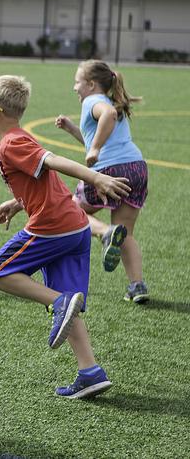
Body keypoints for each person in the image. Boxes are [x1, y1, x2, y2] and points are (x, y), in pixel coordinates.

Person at [0, 75, 130, 398]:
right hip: (75, 227)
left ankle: (56, 302)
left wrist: (95, 177)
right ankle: (90, 371)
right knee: (70, 306)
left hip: (54, 227)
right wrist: (16, 204)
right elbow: (42, 180)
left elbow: (52, 161)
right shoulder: (15, 140)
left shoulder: (12, 142)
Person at [55, 60, 149, 303]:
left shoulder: (93, 102)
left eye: (77, 82)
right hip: (136, 168)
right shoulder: (109, 101)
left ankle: (106, 232)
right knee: (126, 233)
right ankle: (137, 286)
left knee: (69, 210)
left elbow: (105, 118)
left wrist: (94, 149)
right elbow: (96, 135)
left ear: (91, 84)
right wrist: (73, 129)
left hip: (109, 171)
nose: (74, 87)